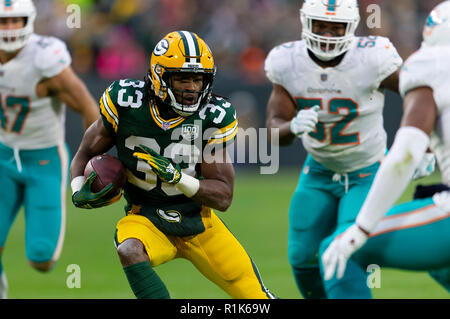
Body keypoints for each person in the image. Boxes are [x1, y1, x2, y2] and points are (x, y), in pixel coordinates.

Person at [69, 30, 276, 299]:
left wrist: (177, 178)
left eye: (198, 79)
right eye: (182, 78)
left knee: (259, 299)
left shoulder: (213, 116)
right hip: (145, 217)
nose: (191, 87)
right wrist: (77, 189)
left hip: (200, 225)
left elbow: (224, 196)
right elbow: (84, 152)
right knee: (129, 249)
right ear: (158, 76)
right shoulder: (126, 103)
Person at [264, 0, 403, 299]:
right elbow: (275, 131)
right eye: (321, 25)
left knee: (343, 249)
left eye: (336, 26)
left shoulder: (373, 57)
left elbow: (418, 93)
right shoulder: (287, 61)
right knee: (302, 257)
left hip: (368, 171)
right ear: (306, 23)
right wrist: (292, 126)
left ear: (351, 27)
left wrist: (422, 144)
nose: (327, 34)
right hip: (319, 170)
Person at [321, 0, 450, 299]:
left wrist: (362, 229)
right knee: (442, 266)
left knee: (340, 248)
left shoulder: (432, 63)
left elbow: (405, 154)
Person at [0, 0, 99, 299]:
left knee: (42, 259)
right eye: (4, 21)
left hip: (43, 160)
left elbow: (87, 106)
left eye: (15, 20)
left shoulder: (44, 59)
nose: (9, 28)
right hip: (3, 156)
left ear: (28, 21)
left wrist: (94, 159)